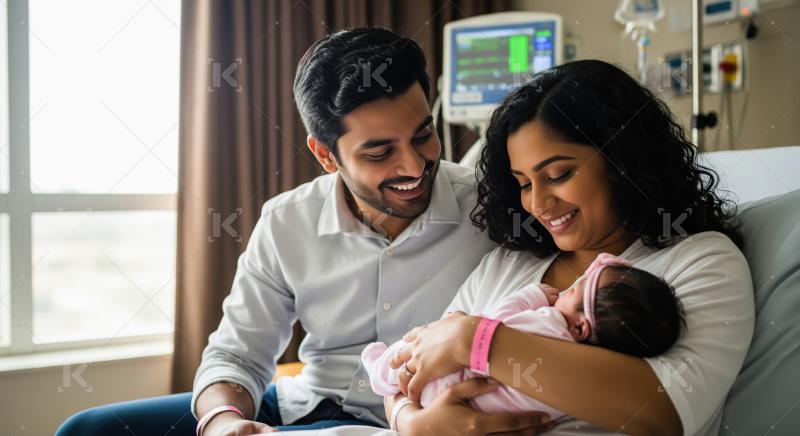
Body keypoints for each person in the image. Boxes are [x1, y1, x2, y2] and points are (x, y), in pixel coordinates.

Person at [56, 27, 552, 436]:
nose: (414, 165)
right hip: (303, 404)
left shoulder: (494, 206)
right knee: (87, 429)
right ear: (324, 155)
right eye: (380, 152)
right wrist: (224, 423)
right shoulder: (286, 221)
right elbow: (235, 354)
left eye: (423, 134)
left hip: (422, 418)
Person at [384, 60, 755, 436]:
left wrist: (476, 341)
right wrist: (409, 420)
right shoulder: (506, 264)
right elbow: (412, 359)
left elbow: (663, 411)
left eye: (558, 175)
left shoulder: (701, 260)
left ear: (620, 162)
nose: (538, 203)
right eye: (524, 184)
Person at [363, 252, 685, 422]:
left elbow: (492, 323)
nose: (564, 290)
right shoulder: (586, 372)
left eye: (572, 291)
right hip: (460, 407)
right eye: (524, 183)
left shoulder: (552, 326)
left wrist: (532, 295)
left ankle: (377, 366)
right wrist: (409, 422)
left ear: (580, 328)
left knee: (404, 352)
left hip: (447, 386)